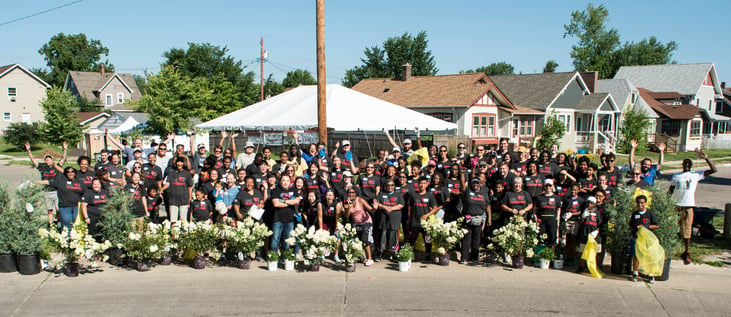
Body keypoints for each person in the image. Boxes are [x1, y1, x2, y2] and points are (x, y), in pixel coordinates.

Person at [668, 148, 717, 265]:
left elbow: (714, 170)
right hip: (676, 206)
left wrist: (706, 158)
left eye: (689, 163)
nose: (687, 165)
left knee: (687, 230)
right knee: (672, 229)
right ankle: (669, 249)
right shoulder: (676, 176)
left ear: (691, 165)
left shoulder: (696, 175)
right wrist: (665, 203)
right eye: (685, 163)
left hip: (688, 206)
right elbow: (670, 191)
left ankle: (687, 252)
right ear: (682, 165)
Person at [25, 141, 67, 227]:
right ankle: (51, 224)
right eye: (46, 159)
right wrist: (29, 151)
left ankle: (59, 223)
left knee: (58, 208)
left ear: (52, 160)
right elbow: (33, 160)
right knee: (49, 210)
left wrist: (64, 149)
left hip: (56, 191)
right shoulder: (43, 168)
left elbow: (63, 158)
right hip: (47, 191)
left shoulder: (57, 166)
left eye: (49, 159)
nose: (48, 161)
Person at [408, 177, 441, 262]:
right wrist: (409, 219)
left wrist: (427, 215)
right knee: (412, 240)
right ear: (418, 184)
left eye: (423, 183)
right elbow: (409, 207)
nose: (422, 185)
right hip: (415, 222)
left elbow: (435, 208)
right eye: (420, 183)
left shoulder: (429, 195)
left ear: (427, 184)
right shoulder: (413, 194)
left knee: (427, 240)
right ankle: (409, 255)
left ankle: (428, 256)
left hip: (425, 223)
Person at [629, 195, 659, 283]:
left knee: (649, 256)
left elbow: (656, 225)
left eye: (642, 203)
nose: (640, 205)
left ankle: (651, 274)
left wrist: (646, 227)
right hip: (637, 237)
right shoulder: (635, 214)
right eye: (638, 203)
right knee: (636, 255)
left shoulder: (650, 213)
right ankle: (635, 272)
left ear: (645, 203)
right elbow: (631, 224)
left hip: (647, 238)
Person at [372, 179, 405, 261]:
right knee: (382, 237)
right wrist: (384, 207)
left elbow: (401, 205)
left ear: (394, 186)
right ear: (386, 186)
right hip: (382, 220)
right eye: (388, 185)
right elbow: (376, 203)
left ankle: (394, 254)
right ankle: (380, 254)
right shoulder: (381, 194)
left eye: (392, 185)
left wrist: (391, 208)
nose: (390, 187)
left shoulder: (398, 195)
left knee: (393, 237)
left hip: (394, 220)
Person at [460, 178, 491, 264]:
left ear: (480, 184)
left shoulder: (484, 194)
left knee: (476, 239)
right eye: (473, 183)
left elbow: (487, 206)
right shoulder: (467, 191)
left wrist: (489, 218)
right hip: (468, 220)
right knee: (466, 239)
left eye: (477, 183)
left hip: (478, 219)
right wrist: (462, 173)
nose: (475, 185)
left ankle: (474, 257)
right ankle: (464, 257)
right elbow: (462, 184)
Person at [343, 187, 375, 266]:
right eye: (349, 192)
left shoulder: (360, 200)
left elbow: (371, 210)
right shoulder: (346, 202)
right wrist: (349, 206)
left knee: (365, 240)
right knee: (354, 240)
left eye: (353, 192)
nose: (351, 194)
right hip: (355, 223)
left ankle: (370, 258)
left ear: (356, 193)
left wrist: (375, 207)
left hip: (366, 222)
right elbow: (347, 215)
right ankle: (358, 256)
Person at [45, 167, 84, 233]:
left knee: (77, 224)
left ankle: (76, 240)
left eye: (72, 171)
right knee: (67, 225)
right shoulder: (61, 182)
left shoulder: (80, 182)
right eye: (68, 172)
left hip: (76, 206)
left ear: (75, 173)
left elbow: (85, 192)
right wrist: (34, 182)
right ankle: (66, 240)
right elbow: (48, 182)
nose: (70, 173)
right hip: (64, 206)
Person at [270, 175, 300, 253]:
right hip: (278, 219)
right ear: (280, 182)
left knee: (287, 240)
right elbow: (276, 204)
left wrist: (283, 201)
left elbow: (297, 201)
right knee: (275, 239)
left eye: (287, 181)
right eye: (283, 180)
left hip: (290, 220)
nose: (285, 182)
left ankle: (285, 257)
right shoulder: (276, 190)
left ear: (290, 182)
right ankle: (273, 257)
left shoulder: (294, 190)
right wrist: (290, 202)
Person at [163, 157, 194, 226]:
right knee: (173, 220)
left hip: (184, 199)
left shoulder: (187, 174)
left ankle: (183, 235)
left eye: (181, 162)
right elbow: (167, 183)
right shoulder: (171, 173)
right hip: (173, 199)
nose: (179, 164)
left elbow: (190, 187)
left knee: (183, 221)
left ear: (183, 163)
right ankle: (174, 235)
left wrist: (189, 199)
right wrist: (161, 190)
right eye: (178, 162)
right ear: (175, 163)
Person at [577, 196, 601, 274]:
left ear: (594, 204)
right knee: (582, 251)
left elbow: (599, 224)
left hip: (593, 234)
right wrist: (583, 217)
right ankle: (581, 266)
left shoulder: (597, 213)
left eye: (591, 203)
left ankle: (594, 266)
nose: (589, 205)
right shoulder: (584, 211)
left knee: (594, 252)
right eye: (588, 203)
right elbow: (580, 224)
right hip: (584, 233)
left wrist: (596, 231)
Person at [533, 179, 561, 246]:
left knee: (552, 238)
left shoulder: (556, 197)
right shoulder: (539, 198)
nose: (548, 187)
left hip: (552, 219)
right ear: (544, 187)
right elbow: (535, 209)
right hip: (542, 220)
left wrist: (557, 218)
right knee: (541, 238)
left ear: (552, 186)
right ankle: (541, 254)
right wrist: (535, 218)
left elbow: (558, 209)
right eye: (546, 185)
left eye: (550, 185)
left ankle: (551, 254)